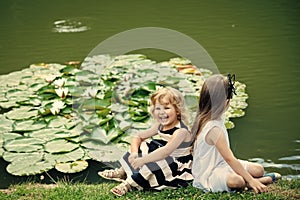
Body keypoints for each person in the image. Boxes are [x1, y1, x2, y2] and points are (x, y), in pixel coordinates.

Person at [191, 74, 281, 194]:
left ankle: (254, 179)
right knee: (237, 181)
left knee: (258, 169)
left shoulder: (209, 117)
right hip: (210, 172)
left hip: (221, 164)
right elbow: (229, 158)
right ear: (226, 102)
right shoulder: (213, 128)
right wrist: (250, 179)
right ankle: (258, 181)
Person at [98, 87, 194, 196]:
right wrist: (134, 153)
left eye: (167, 108)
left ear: (177, 111)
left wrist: (143, 160)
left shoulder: (181, 131)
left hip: (177, 165)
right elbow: (138, 136)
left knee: (156, 162)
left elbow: (165, 151)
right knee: (143, 145)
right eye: (158, 108)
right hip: (165, 154)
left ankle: (128, 184)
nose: (162, 112)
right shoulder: (161, 125)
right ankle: (123, 171)